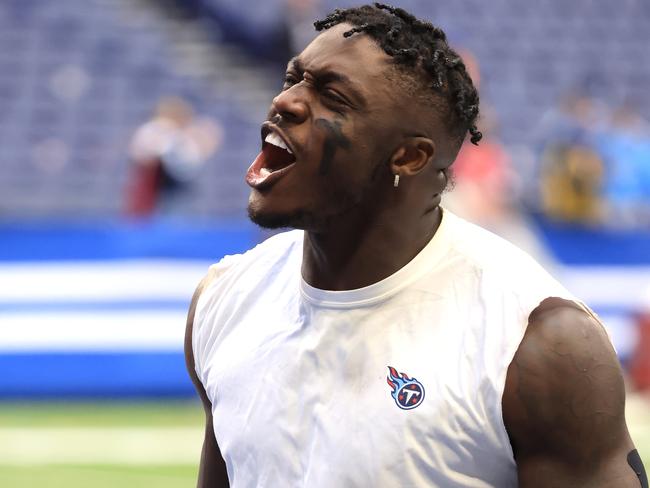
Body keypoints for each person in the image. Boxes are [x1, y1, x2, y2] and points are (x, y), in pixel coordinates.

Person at [185, 4, 647, 487]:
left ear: (408, 157)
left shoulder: (537, 344)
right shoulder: (224, 300)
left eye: (332, 97)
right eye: (293, 78)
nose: (287, 103)